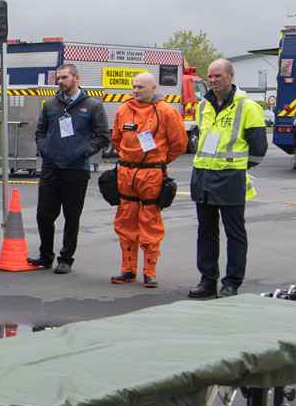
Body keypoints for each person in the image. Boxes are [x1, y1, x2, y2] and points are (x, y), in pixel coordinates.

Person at [187, 58, 267, 298]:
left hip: (231, 178)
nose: (212, 81)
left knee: (234, 233)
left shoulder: (248, 107)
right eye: (210, 76)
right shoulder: (203, 106)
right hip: (203, 175)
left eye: (217, 76)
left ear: (230, 77)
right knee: (206, 233)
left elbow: (258, 149)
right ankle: (207, 280)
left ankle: (231, 283)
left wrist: (238, 168)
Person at [110, 71, 189, 286]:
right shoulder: (123, 110)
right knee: (125, 221)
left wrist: (159, 161)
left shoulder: (166, 112)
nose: (136, 90)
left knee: (150, 223)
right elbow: (116, 139)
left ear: (153, 89)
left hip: (151, 175)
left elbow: (179, 144)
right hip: (127, 173)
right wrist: (129, 159)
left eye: (141, 87)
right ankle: (127, 270)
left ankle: (150, 271)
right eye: (134, 86)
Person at [32, 63, 108, 272]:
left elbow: (103, 136)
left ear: (76, 78)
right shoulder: (50, 105)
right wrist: (45, 148)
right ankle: (45, 256)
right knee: (44, 214)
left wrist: (83, 151)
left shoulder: (92, 105)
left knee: (72, 215)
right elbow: (39, 132)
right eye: (58, 78)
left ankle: (66, 259)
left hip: (76, 169)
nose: (60, 82)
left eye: (64, 77)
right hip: (51, 166)